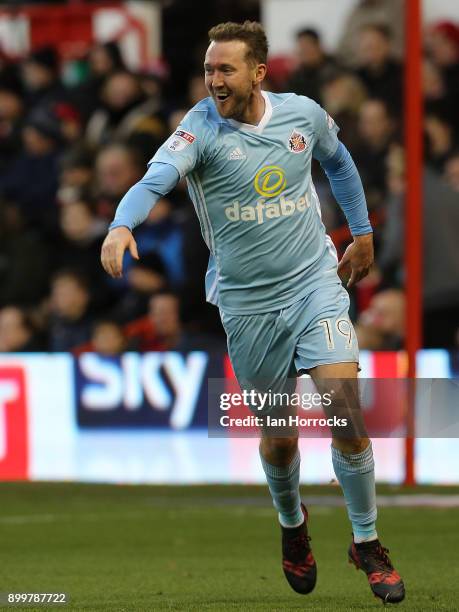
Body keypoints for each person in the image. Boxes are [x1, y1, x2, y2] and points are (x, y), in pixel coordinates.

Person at [100, 21, 404, 604]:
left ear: (258, 73)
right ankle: (293, 527)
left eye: (225, 69)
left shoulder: (303, 115)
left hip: (315, 283)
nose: (213, 79)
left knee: (344, 410)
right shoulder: (199, 129)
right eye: (209, 69)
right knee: (280, 438)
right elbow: (154, 179)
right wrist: (120, 225)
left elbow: (339, 163)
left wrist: (361, 232)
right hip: (247, 305)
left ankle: (367, 541)